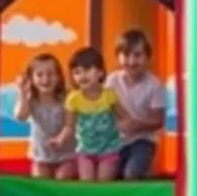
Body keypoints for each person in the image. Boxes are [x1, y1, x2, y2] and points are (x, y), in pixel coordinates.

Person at [50, 46, 124, 182]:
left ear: (100, 72)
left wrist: (126, 125)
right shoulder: (73, 98)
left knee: (103, 181)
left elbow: (124, 117)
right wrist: (60, 139)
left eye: (88, 70)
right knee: (87, 181)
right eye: (77, 72)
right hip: (85, 151)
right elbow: (69, 127)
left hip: (108, 150)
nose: (82, 75)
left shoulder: (109, 95)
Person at [106, 28, 167, 180]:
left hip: (143, 141)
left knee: (131, 174)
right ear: (118, 57)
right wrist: (118, 123)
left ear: (147, 57)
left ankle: (142, 173)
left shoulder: (154, 85)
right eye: (126, 55)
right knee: (109, 174)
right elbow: (107, 108)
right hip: (117, 141)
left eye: (138, 55)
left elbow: (158, 120)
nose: (132, 61)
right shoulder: (112, 80)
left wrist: (138, 125)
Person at [13, 53, 76, 179]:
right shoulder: (31, 100)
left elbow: (71, 124)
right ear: (31, 78)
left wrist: (61, 138)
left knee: (62, 178)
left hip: (67, 155)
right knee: (41, 183)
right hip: (41, 156)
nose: (45, 79)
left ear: (58, 77)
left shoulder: (66, 98)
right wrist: (22, 93)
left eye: (51, 74)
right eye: (39, 74)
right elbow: (21, 117)